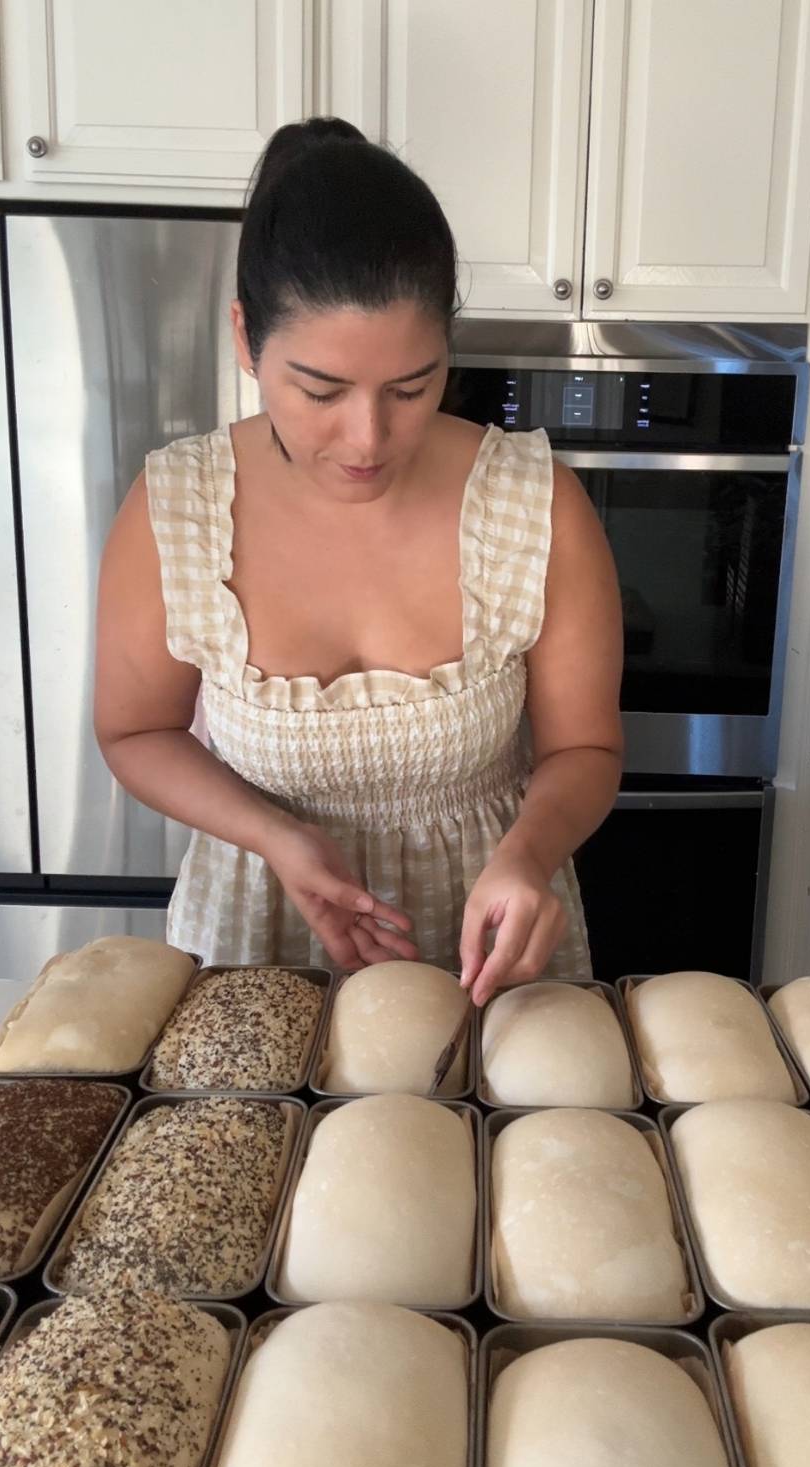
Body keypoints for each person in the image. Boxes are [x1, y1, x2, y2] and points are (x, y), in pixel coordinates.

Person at [95, 117, 622, 1006]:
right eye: (321, 391)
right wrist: (275, 835)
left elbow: (586, 747)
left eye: (412, 387)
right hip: (255, 935)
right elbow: (134, 732)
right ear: (244, 338)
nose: (369, 438)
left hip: (483, 952)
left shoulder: (535, 502)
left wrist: (528, 856)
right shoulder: (175, 505)